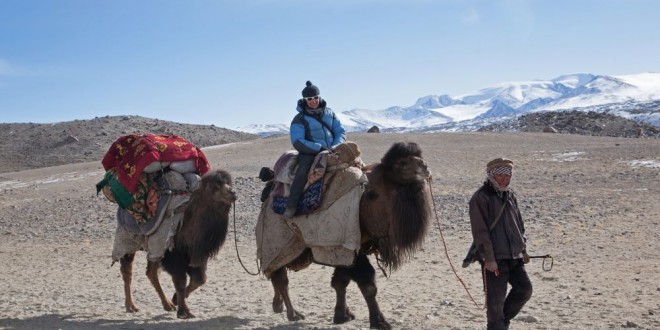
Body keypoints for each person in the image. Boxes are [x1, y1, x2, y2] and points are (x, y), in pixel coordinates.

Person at [468, 158, 533, 330]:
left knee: (525, 290)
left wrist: (523, 248)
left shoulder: (510, 195)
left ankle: (500, 323)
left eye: (507, 175)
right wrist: (489, 259)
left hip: (514, 256)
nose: (504, 179)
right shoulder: (481, 197)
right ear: (491, 175)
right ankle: (497, 324)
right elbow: (480, 232)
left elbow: (518, 223)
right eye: (500, 175)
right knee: (495, 304)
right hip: (495, 259)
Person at [283, 80, 346, 219]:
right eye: (310, 99)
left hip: (333, 149)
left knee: (355, 161)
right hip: (310, 151)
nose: (313, 101)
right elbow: (297, 140)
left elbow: (340, 131)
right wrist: (318, 148)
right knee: (303, 170)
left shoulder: (330, 113)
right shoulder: (299, 119)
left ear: (319, 97)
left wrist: (336, 145)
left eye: (315, 98)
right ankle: (291, 205)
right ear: (305, 100)